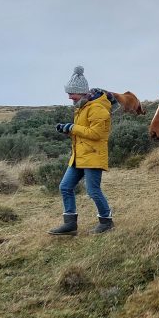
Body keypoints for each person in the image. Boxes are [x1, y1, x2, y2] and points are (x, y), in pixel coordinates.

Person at [47, 66, 115, 235]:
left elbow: (96, 134)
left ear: (82, 92)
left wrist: (73, 127)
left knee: (93, 191)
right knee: (65, 187)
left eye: (72, 94)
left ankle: (106, 221)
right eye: (68, 94)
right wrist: (66, 129)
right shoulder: (82, 107)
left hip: (93, 155)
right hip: (79, 156)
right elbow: (81, 131)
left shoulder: (97, 108)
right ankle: (70, 224)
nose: (69, 97)